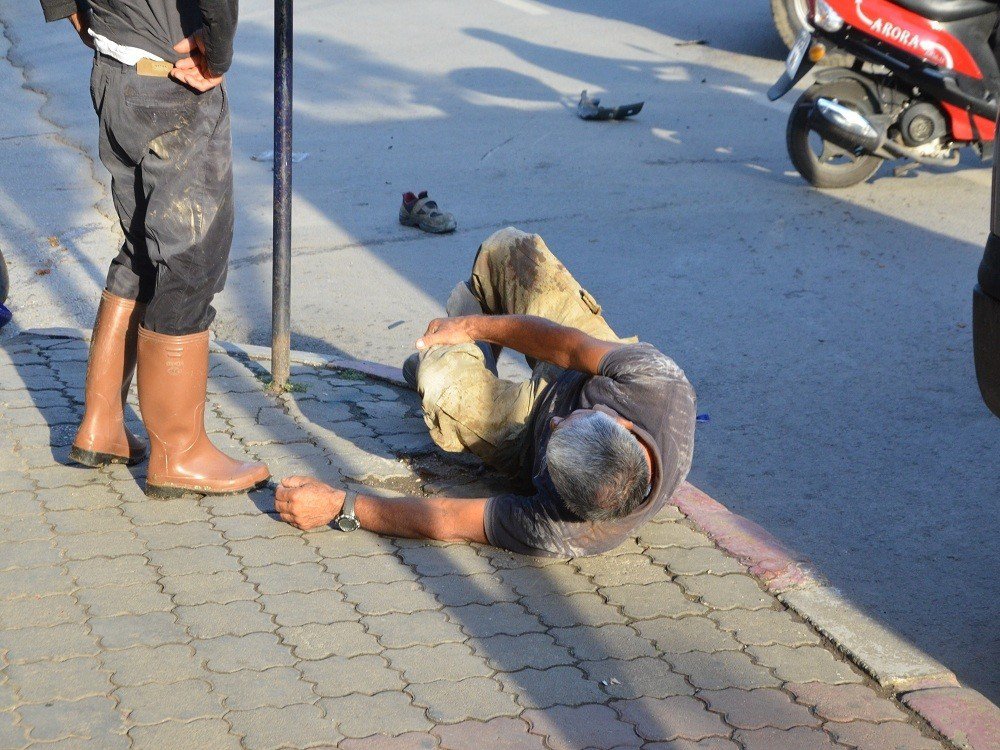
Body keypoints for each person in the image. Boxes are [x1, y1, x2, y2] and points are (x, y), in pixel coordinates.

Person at [275, 228, 696, 557]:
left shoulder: (565, 529)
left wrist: (340, 505)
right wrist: (471, 327)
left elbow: (448, 520)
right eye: (575, 419)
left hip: (522, 426)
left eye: (560, 435)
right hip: (579, 366)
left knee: (442, 387)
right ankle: (467, 339)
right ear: (623, 423)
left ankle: (442, 365)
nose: (557, 418)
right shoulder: (661, 387)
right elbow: (570, 347)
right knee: (509, 251)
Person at [38, 0, 269, 497]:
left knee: (144, 246)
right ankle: (179, 453)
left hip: (114, 71)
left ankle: (103, 423)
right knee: (192, 260)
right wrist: (220, 49)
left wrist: (70, 11)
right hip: (172, 81)